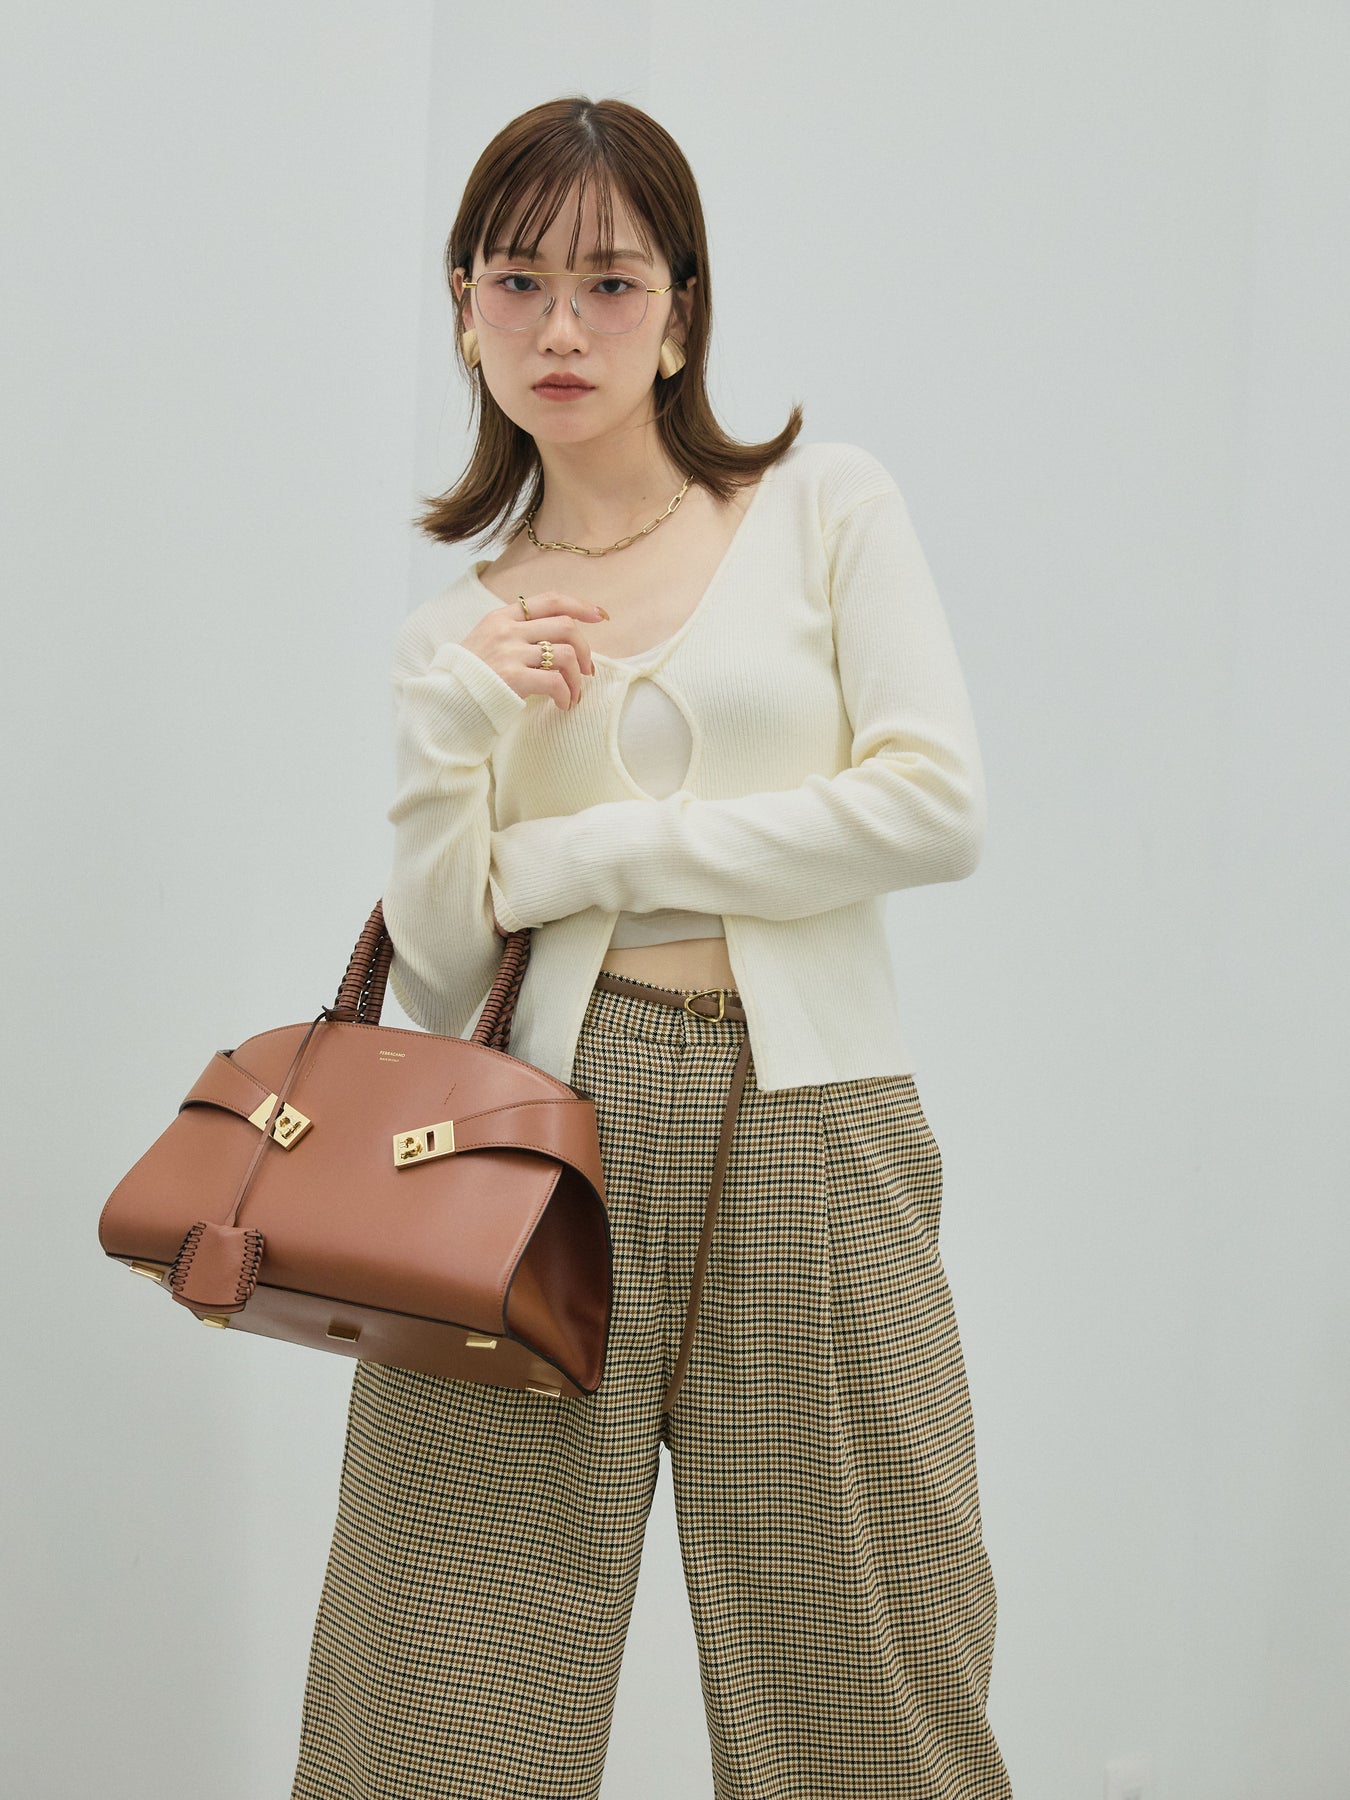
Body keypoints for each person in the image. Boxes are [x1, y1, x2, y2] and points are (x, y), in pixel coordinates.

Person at [291, 93, 1015, 1800]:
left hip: (809, 1118)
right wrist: (455, 731)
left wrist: (596, 848)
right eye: (517, 280)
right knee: (444, 1676)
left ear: (681, 313)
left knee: (866, 1659)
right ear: (462, 308)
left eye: (610, 283)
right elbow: (447, 967)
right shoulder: (452, 631)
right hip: (530, 1147)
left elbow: (932, 807)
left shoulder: (821, 507)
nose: (561, 327)